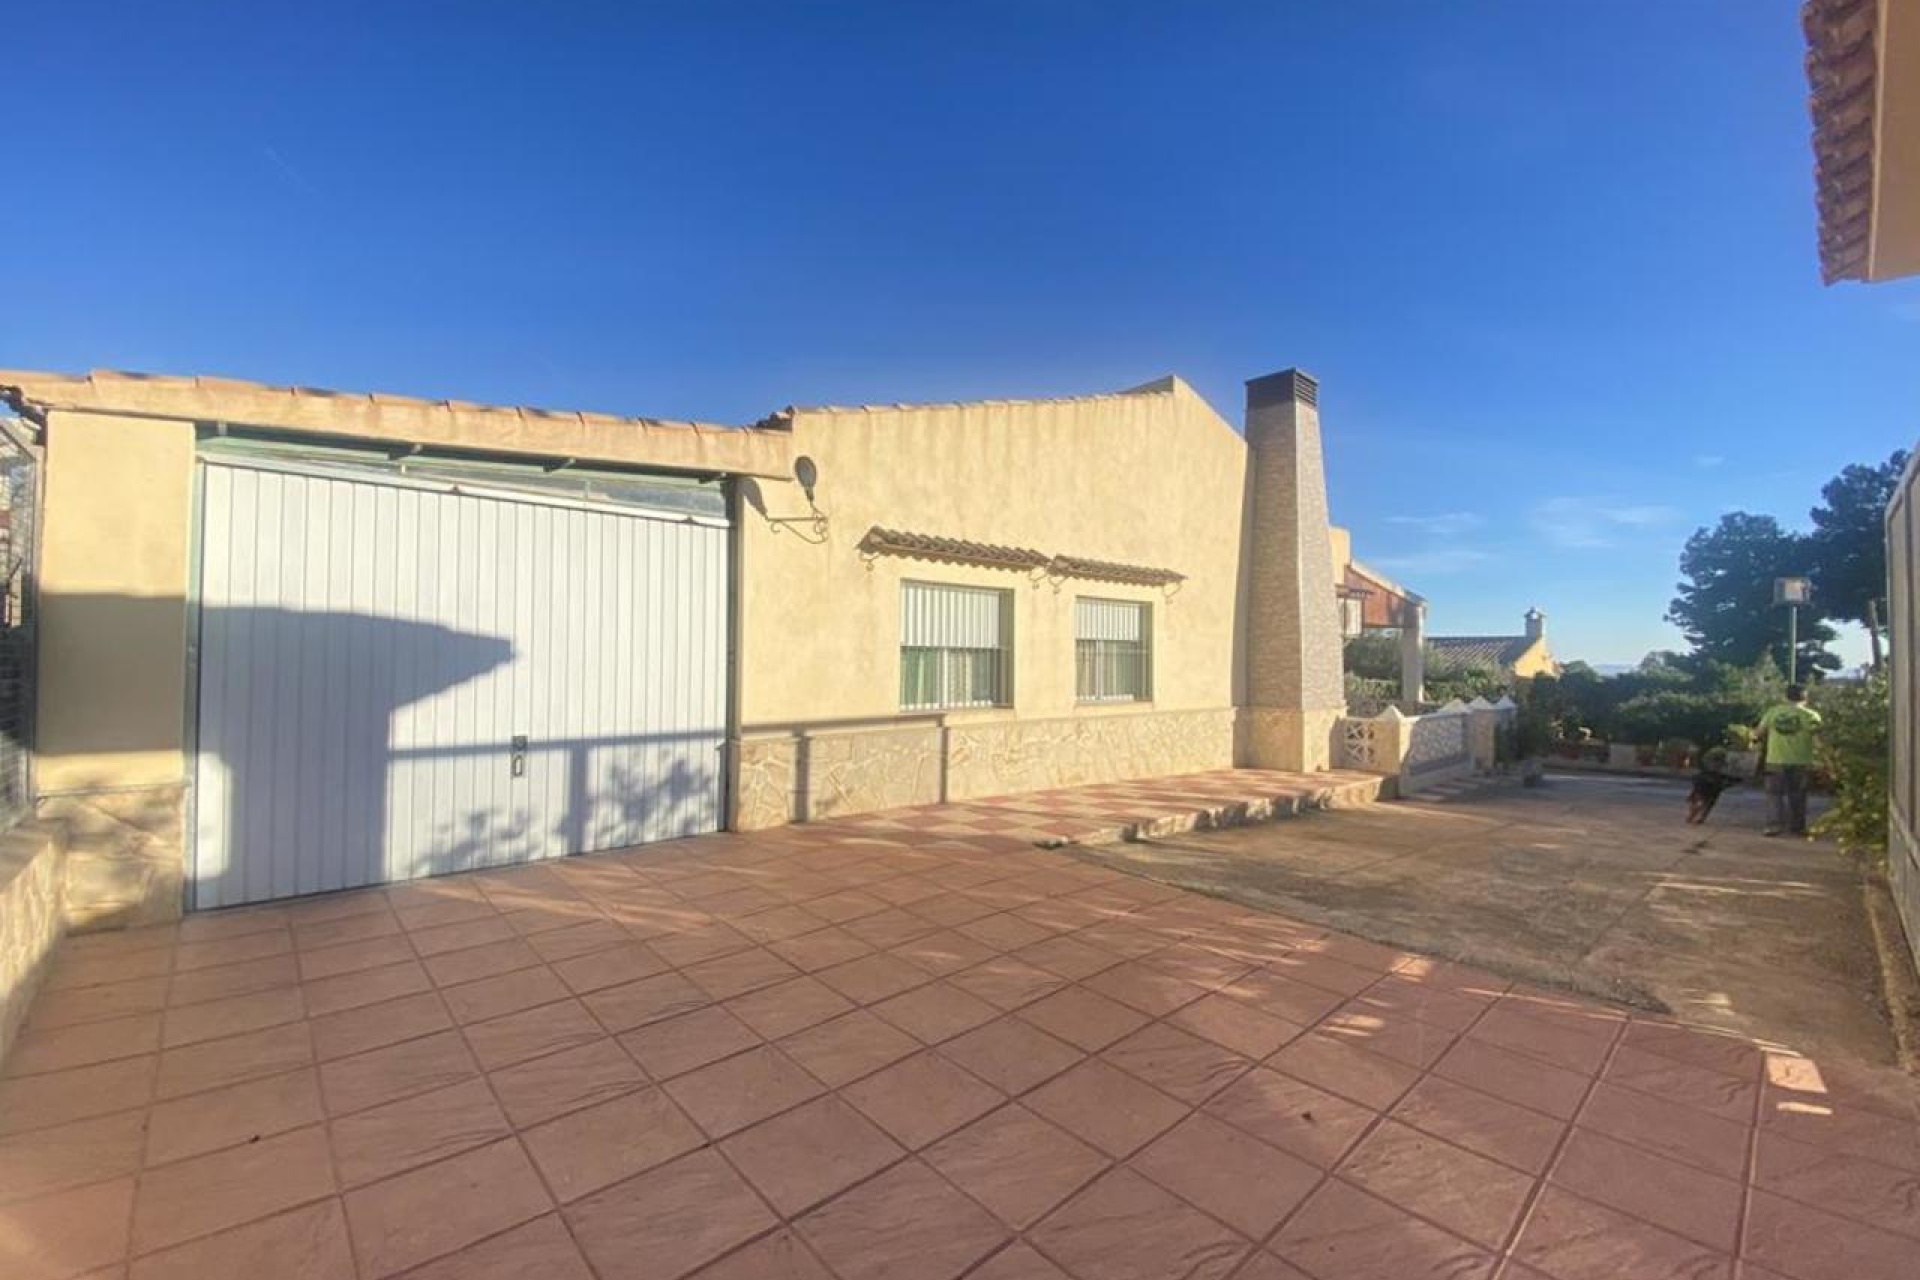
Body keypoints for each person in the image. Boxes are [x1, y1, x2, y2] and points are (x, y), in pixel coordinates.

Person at [1754, 684, 1822, 837]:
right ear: (1805, 698)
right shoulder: (1811, 716)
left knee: (1774, 794)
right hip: (1801, 760)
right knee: (1798, 795)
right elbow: (1818, 741)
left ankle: (1773, 826)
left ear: (1785, 697)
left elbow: (1758, 733)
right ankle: (1797, 827)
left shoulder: (1773, 712)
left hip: (1775, 760)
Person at [1685, 745, 1741, 825]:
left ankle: (1695, 815)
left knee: (1699, 800)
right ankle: (1700, 816)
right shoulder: (1723, 764)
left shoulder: (1708, 762)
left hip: (1706, 783)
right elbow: (1730, 777)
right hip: (1713, 784)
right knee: (1707, 802)